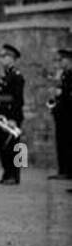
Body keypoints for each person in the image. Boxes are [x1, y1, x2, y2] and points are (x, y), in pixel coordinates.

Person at [0, 43, 25, 186]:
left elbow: (18, 100)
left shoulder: (16, 76)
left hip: (12, 116)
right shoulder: (5, 75)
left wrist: (13, 118)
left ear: (12, 58)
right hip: (3, 116)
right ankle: (7, 173)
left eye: (4, 56)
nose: (1, 59)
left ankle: (14, 175)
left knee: (13, 147)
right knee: (3, 147)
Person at [50, 47, 72, 182]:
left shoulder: (70, 74)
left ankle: (68, 171)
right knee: (61, 142)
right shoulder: (64, 74)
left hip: (69, 114)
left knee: (68, 143)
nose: (60, 63)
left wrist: (61, 93)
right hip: (61, 114)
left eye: (61, 60)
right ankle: (63, 169)